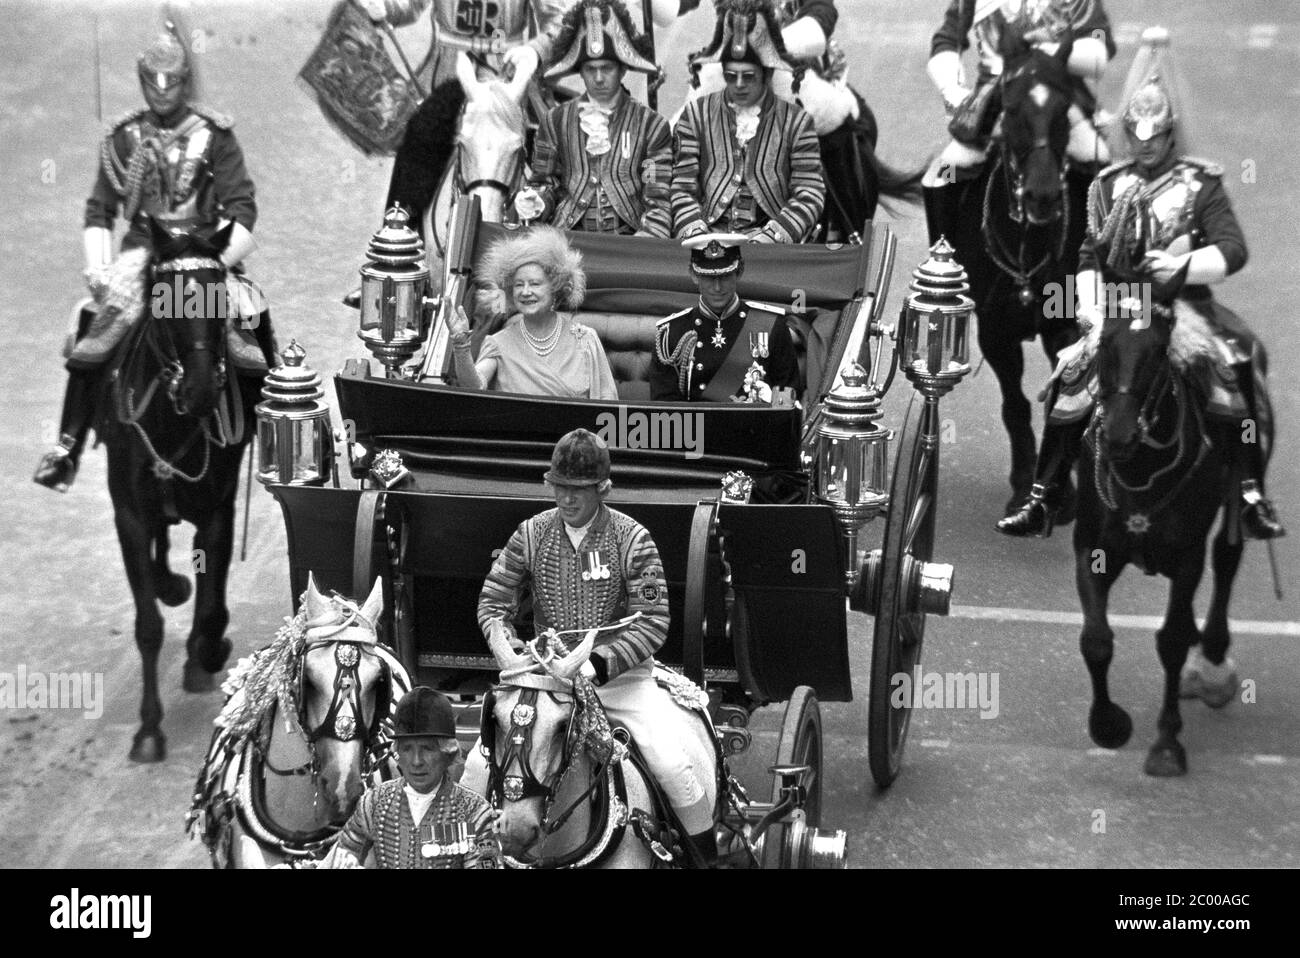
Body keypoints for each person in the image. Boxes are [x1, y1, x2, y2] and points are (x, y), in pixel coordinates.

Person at [997, 27, 1284, 541]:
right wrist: (1088, 310)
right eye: (1138, 138)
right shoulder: (1108, 185)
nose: (1146, 149)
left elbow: (1233, 248)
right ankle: (1044, 494)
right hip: (1118, 305)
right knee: (1070, 379)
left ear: (1171, 135)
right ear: (1128, 133)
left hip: (1183, 306)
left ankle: (1249, 491)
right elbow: (1088, 253)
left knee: (1233, 373)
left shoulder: (1201, 184)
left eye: (1156, 140)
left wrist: (1183, 268)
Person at [33, 19, 268, 493]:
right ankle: (67, 446)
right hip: (144, 254)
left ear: (185, 81)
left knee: (249, 319)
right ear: (142, 81)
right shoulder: (122, 138)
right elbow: (101, 208)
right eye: (154, 82)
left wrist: (215, 258)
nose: (162, 91)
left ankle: (273, 435)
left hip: (203, 252)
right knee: (97, 327)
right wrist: (99, 267)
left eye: (172, 81)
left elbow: (241, 205)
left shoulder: (215, 135)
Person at [465, 428, 718, 863]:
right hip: (549, 682)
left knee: (673, 766)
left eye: (577, 489)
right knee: (473, 770)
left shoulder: (632, 538)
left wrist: (596, 666)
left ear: (602, 488)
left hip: (621, 684)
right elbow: (493, 602)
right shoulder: (530, 534)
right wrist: (504, 646)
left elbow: (654, 622)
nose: (566, 498)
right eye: (560, 487)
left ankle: (705, 859)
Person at [922, 0, 1115, 242]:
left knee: (1097, 158)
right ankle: (942, 258)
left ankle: (1099, 251)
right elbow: (948, 40)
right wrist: (952, 89)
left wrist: (1055, 50)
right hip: (996, 94)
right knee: (947, 170)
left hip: (1056, 91)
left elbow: (1098, 40)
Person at [512, 0, 673, 237]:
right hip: (566, 242)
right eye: (590, 69)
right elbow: (544, 183)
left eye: (606, 68)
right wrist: (536, 200)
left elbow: (657, 196)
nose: (598, 78)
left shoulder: (651, 126)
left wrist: (647, 238)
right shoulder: (555, 122)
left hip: (631, 245)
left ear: (623, 68)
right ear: (580, 70)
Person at [671, 2, 825, 242]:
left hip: (770, 248)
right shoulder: (695, 116)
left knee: (839, 118)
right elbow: (682, 185)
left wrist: (774, 235)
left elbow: (810, 192)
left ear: (767, 74)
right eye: (731, 76)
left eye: (749, 76)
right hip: (706, 242)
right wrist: (695, 230)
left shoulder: (797, 123)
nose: (739, 85)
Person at [320, 687, 499, 869]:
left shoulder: (475, 812)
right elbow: (341, 855)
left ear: (447, 753)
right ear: (397, 752)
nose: (416, 761)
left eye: (427, 748)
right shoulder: (374, 802)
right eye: (407, 749)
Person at [447, 225, 619, 399]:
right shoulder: (499, 344)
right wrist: (461, 344)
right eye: (519, 285)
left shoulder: (585, 340)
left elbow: (607, 402)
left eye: (535, 284)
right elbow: (475, 386)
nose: (526, 292)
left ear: (555, 288)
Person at [649, 234, 799, 402]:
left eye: (725, 276)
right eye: (708, 277)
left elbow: (787, 399)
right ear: (693, 274)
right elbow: (665, 411)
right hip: (695, 427)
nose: (717, 287)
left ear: (739, 271)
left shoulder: (771, 325)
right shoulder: (672, 333)